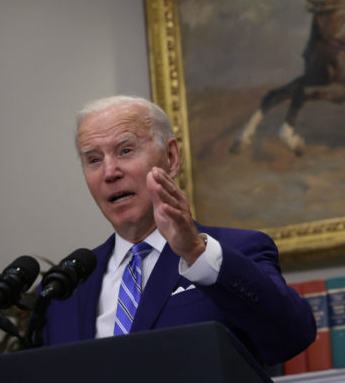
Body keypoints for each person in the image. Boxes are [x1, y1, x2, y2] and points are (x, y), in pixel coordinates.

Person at [43, 95, 316, 366]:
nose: (109, 172)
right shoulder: (66, 287)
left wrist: (196, 252)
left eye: (125, 151)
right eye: (93, 160)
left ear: (171, 157)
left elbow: (292, 335)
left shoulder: (238, 250)